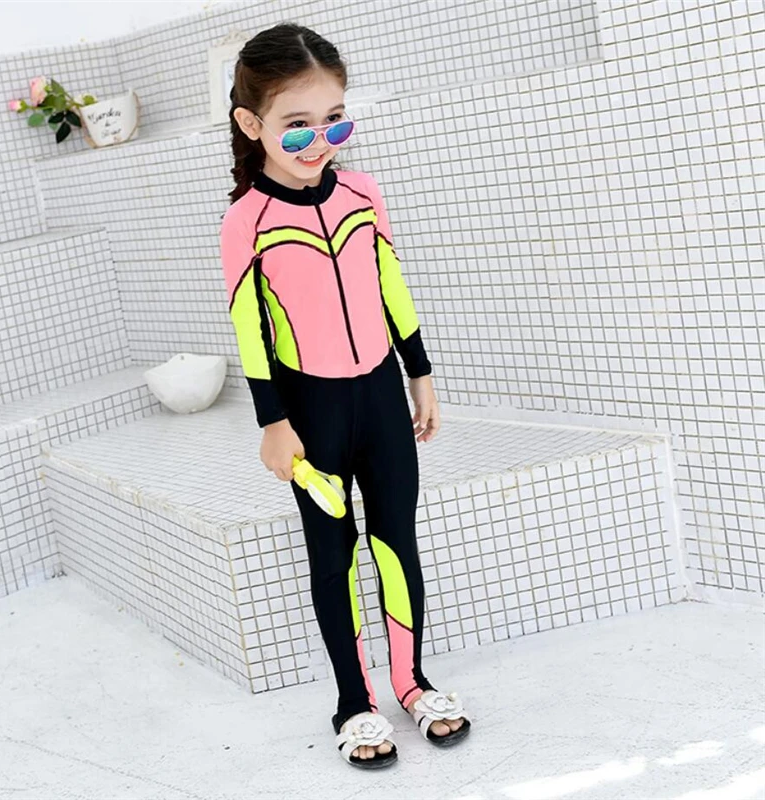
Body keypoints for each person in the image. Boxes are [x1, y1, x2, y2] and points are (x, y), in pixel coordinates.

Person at [219, 22, 472, 769]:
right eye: (297, 126)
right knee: (334, 555)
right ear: (252, 125)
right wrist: (272, 422)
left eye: (335, 120)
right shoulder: (247, 220)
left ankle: (412, 683)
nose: (320, 141)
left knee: (396, 540)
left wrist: (420, 373)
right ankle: (353, 701)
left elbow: (391, 283)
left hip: (382, 398)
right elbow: (248, 327)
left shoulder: (363, 192)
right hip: (312, 414)